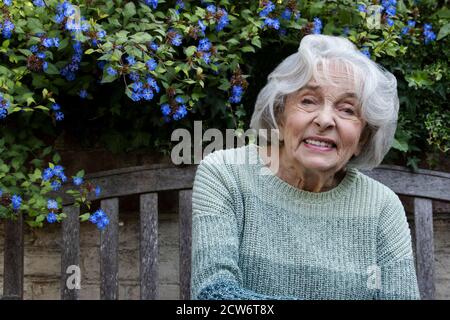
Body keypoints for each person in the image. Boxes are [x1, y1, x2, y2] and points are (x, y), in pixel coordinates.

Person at [190, 34, 420, 300]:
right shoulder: (226, 174)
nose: (325, 120)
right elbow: (214, 295)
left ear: (363, 138)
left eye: (347, 109)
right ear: (280, 115)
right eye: (308, 101)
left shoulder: (381, 206)